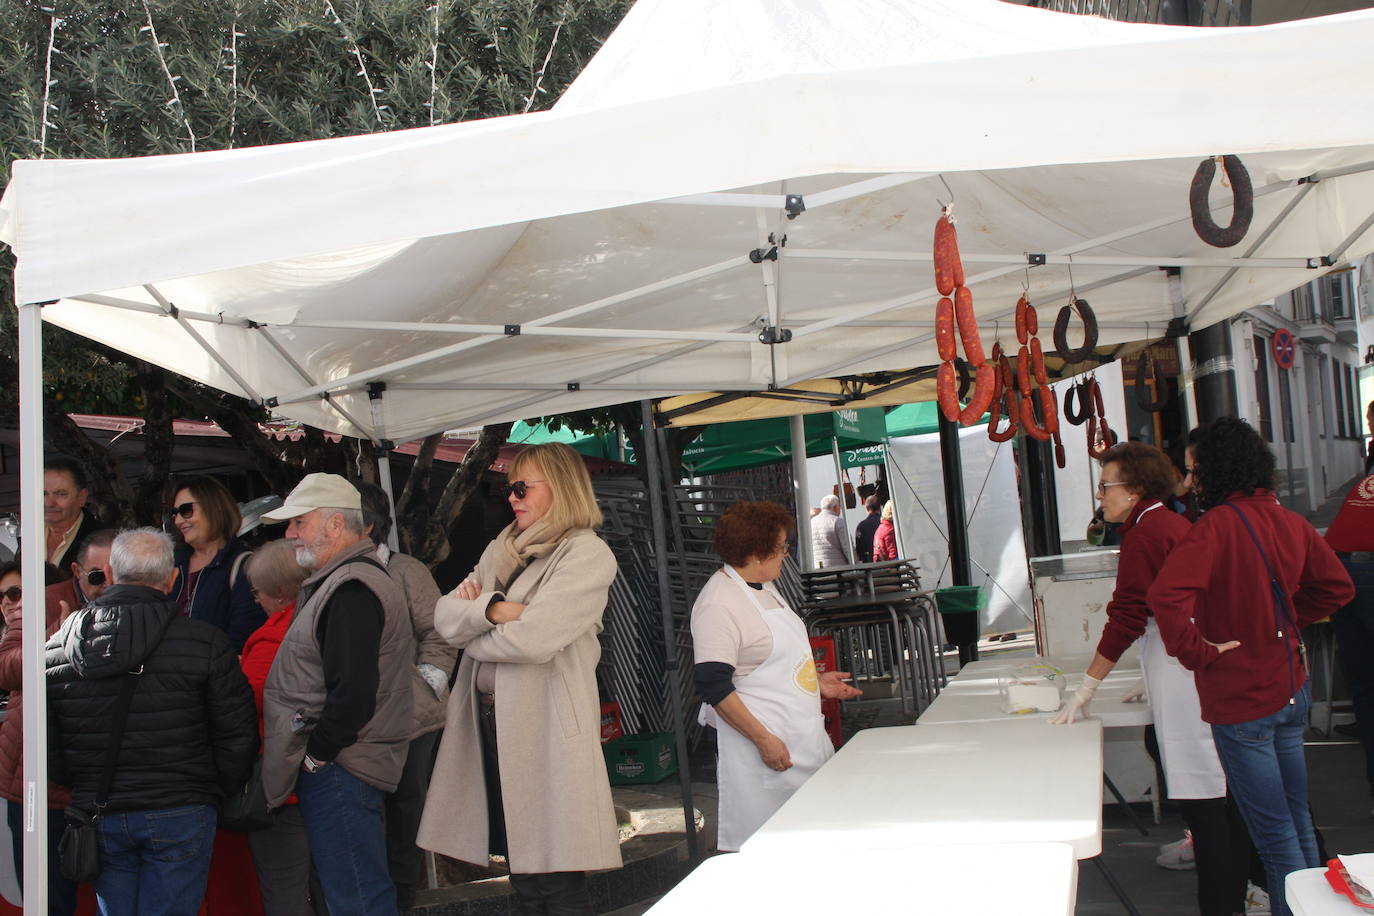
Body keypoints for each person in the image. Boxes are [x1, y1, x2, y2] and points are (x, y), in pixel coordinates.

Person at [1148, 417, 1355, 916]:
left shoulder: (1214, 527)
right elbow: (1336, 588)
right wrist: (1283, 624)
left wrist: (1199, 652)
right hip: (1288, 687)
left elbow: (1164, 595)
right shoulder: (1289, 520)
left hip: (1242, 699)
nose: (1190, 481)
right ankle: (1318, 910)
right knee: (1297, 820)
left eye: (1194, 470)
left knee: (1275, 831)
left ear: (1213, 470)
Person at [419, 443, 621, 915]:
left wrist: (474, 626)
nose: (510, 497)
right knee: (523, 870)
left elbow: (533, 641)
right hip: (492, 723)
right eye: (506, 488)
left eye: (520, 487)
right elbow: (443, 614)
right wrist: (496, 609)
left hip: (547, 727)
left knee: (556, 874)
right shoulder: (503, 548)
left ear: (561, 488)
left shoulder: (586, 554)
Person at [1051, 442, 1252, 916]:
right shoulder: (1160, 521)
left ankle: (1226, 902)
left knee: (1207, 797)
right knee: (1218, 794)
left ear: (1136, 487)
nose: (1101, 497)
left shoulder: (1146, 531)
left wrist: (1088, 687)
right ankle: (1241, 891)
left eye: (1106, 487)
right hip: (1186, 660)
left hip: (1186, 669)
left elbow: (1127, 615)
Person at [46, 528, 258, 916]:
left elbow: (48, 746)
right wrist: (212, 789)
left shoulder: (60, 646)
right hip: (181, 808)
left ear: (109, 574)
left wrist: (83, 782)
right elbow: (237, 733)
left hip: (100, 808)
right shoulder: (205, 642)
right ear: (173, 578)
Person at [260, 473, 414, 916]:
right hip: (345, 764)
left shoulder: (351, 587)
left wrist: (316, 756)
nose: (290, 533)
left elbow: (353, 696)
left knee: (357, 897)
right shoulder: (345, 581)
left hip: (343, 767)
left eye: (299, 522)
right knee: (355, 892)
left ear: (333, 525)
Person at [690, 500, 862, 852]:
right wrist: (763, 740)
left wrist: (816, 686)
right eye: (782, 547)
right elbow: (713, 685)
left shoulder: (764, 587)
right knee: (770, 848)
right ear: (755, 553)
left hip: (802, 740)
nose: (786, 554)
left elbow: (767, 662)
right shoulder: (718, 605)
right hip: (761, 751)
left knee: (814, 837)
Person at [355, 481, 457, 911]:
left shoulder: (406, 571)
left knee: (404, 814)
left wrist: (423, 685)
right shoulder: (327, 572)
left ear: (368, 525)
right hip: (356, 719)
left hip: (411, 720)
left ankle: (400, 901)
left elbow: (439, 634)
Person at [239, 540, 324, 916]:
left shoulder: (272, 640)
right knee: (331, 889)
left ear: (276, 592)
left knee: (286, 892)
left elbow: (247, 706)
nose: (255, 600)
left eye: (256, 592)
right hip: (328, 779)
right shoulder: (325, 621)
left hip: (282, 790)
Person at [0, 559, 76, 915]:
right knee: (38, 895)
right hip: (25, 785)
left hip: (65, 783)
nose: (9, 602)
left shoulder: (61, 613)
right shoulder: (23, 628)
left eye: (16, 592)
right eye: (2, 596)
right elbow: (7, 670)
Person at [170, 475, 266, 651]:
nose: (177, 520)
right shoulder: (171, 565)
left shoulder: (244, 566)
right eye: (174, 513)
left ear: (213, 507)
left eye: (186, 510)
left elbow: (243, 638)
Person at [43, 457, 101, 574]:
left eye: (60, 494)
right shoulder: (29, 534)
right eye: (43, 494)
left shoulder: (101, 540)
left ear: (81, 497)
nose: (49, 503)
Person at [809, 494, 849, 568]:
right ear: (835, 507)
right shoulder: (838, 521)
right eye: (839, 506)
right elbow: (848, 548)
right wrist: (856, 565)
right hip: (839, 570)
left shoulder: (811, 524)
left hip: (817, 568)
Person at [854, 495, 882, 563]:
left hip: (869, 564)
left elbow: (859, 549)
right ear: (880, 507)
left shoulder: (861, 526)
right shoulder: (884, 523)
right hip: (886, 562)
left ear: (866, 508)